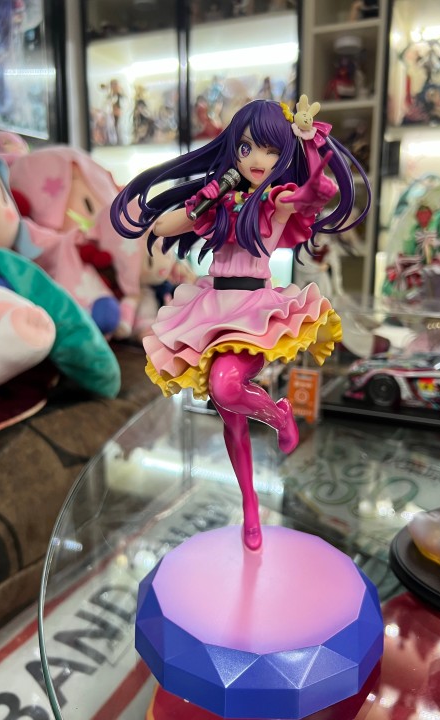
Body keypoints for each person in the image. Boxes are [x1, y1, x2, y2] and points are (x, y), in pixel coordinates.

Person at [111, 97, 370, 551]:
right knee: (230, 421)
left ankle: (278, 414)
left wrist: (313, 161)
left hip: (254, 311)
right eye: (248, 147)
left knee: (226, 386)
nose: (257, 160)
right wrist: (203, 199)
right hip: (212, 306)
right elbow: (164, 227)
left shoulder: (276, 201)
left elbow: (313, 194)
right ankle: (251, 507)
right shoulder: (222, 201)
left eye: (271, 150)